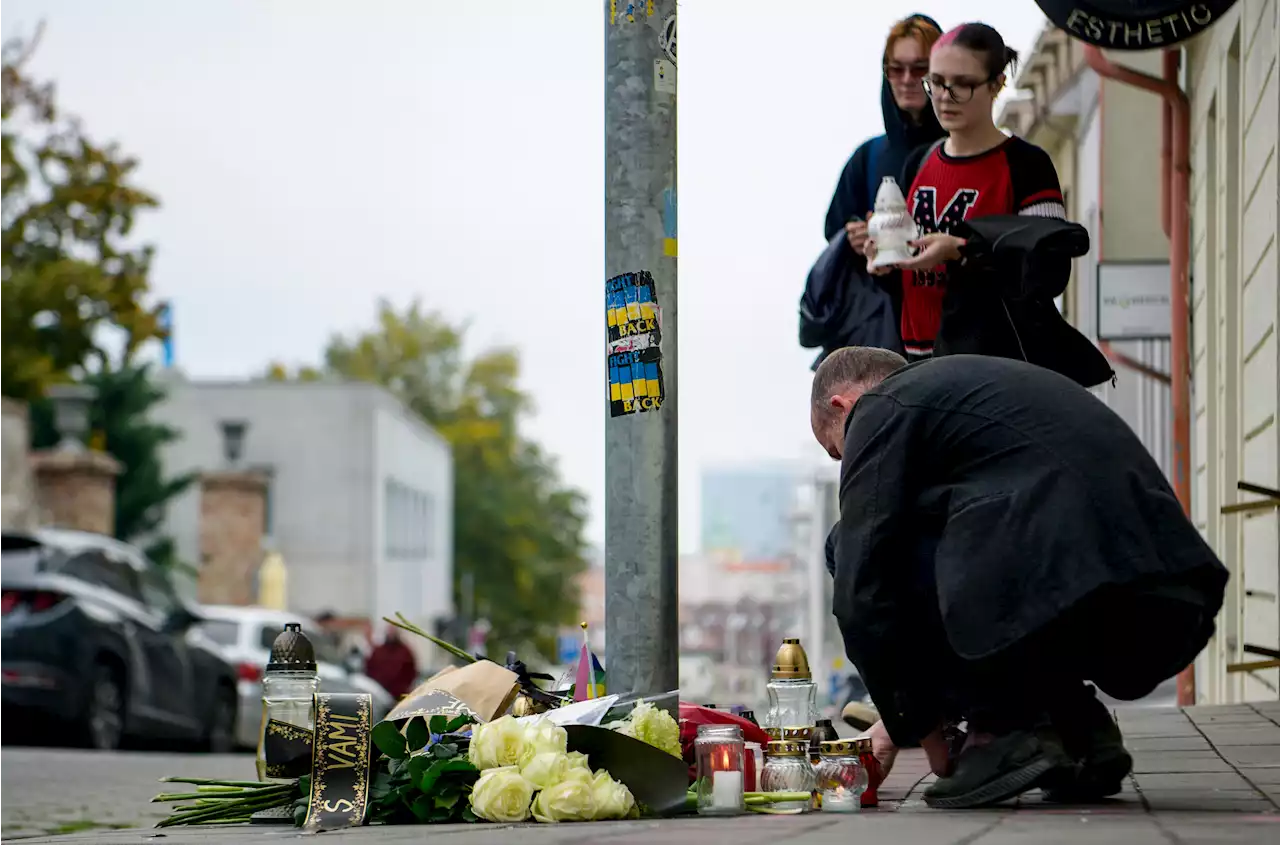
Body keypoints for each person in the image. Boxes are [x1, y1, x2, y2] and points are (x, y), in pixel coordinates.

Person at [810, 347, 1227, 809]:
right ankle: (1076, 728)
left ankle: (1002, 731)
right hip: (1171, 596)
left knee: (851, 544)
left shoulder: (882, 406)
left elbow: (860, 593)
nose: (846, 464)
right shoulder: (980, 397)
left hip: (1068, 579)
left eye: (837, 450)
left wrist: (929, 741)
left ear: (841, 407)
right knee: (908, 533)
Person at [867, 22, 1108, 386]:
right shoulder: (918, 163)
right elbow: (913, 282)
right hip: (916, 365)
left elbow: (1049, 271)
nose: (945, 96)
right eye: (935, 82)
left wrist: (962, 251)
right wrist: (887, 265)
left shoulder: (1026, 164)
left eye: (961, 84)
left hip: (993, 369)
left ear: (996, 84)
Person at [825, 14, 946, 251]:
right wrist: (855, 238)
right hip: (883, 285)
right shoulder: (867, 158)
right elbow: (834, 232)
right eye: (896, 69)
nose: (907, 79)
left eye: (920, 68)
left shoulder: (968, 150)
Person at [364, 628, 419, 701]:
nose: (391, 635)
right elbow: (369, 669)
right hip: (380, 694)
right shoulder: (378, 651)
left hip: (399, 694)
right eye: (389, 632)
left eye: (393, 632)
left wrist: (404, 687)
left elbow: (412, 671)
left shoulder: (405, 652)